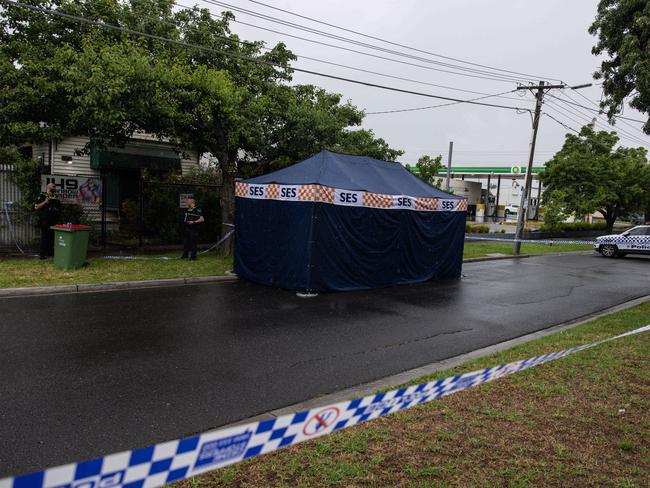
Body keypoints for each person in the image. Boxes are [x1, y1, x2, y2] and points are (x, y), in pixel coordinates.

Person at [34, 182, 62, 259]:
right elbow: (36, 207)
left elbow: (59, 208)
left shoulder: (56, 197)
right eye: (53, 187)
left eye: (55, 187)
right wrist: (45, 202)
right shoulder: (42, 196)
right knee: (45, 237)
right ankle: (42, 254)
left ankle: (50, 253)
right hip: (45, 220)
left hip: (54, 220)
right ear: (48, 187)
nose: (54, 188)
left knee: (52, 237)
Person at [180, 196, 204, 260]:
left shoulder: (197, 209)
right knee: (186, 243)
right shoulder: (188, 209)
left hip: (194, 229)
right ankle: (185, 255)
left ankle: (193, 257)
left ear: (192, 201)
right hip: (187, 228)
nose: (187, 202)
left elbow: (202, 219)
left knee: (193, 243)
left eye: (188, 200)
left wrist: (194, 222)